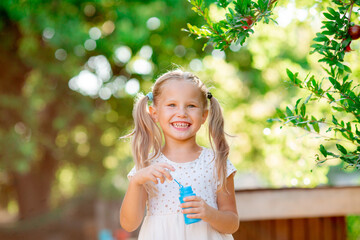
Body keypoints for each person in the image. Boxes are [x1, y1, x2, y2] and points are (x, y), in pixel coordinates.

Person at [119, 69, 239, 239]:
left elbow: (232, 223)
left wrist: (209, 213)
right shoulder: (146, 167)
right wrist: (137, 182)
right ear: (154, 113)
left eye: (191, 105)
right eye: (171, 105)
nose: (182, 113)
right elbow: (129, 224)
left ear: (204, 115)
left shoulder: (216, 162)